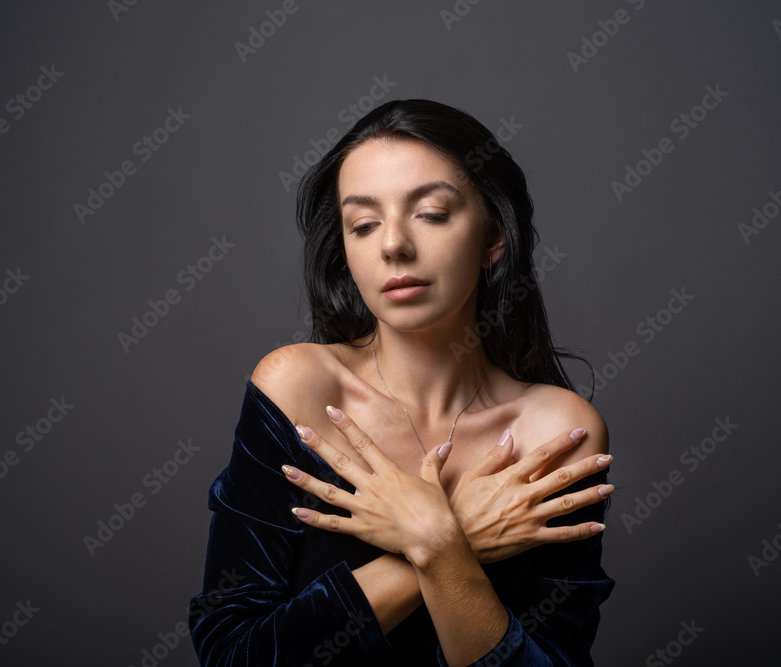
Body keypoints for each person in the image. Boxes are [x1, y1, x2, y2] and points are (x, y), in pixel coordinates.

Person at [189, 99, 615, 666]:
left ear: (494, 237)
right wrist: (446, 540)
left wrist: (441, 550)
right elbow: (231, 654)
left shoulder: (557, 434)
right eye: (363, 225)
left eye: (432, 213)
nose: (393, 244)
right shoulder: (301, 390)